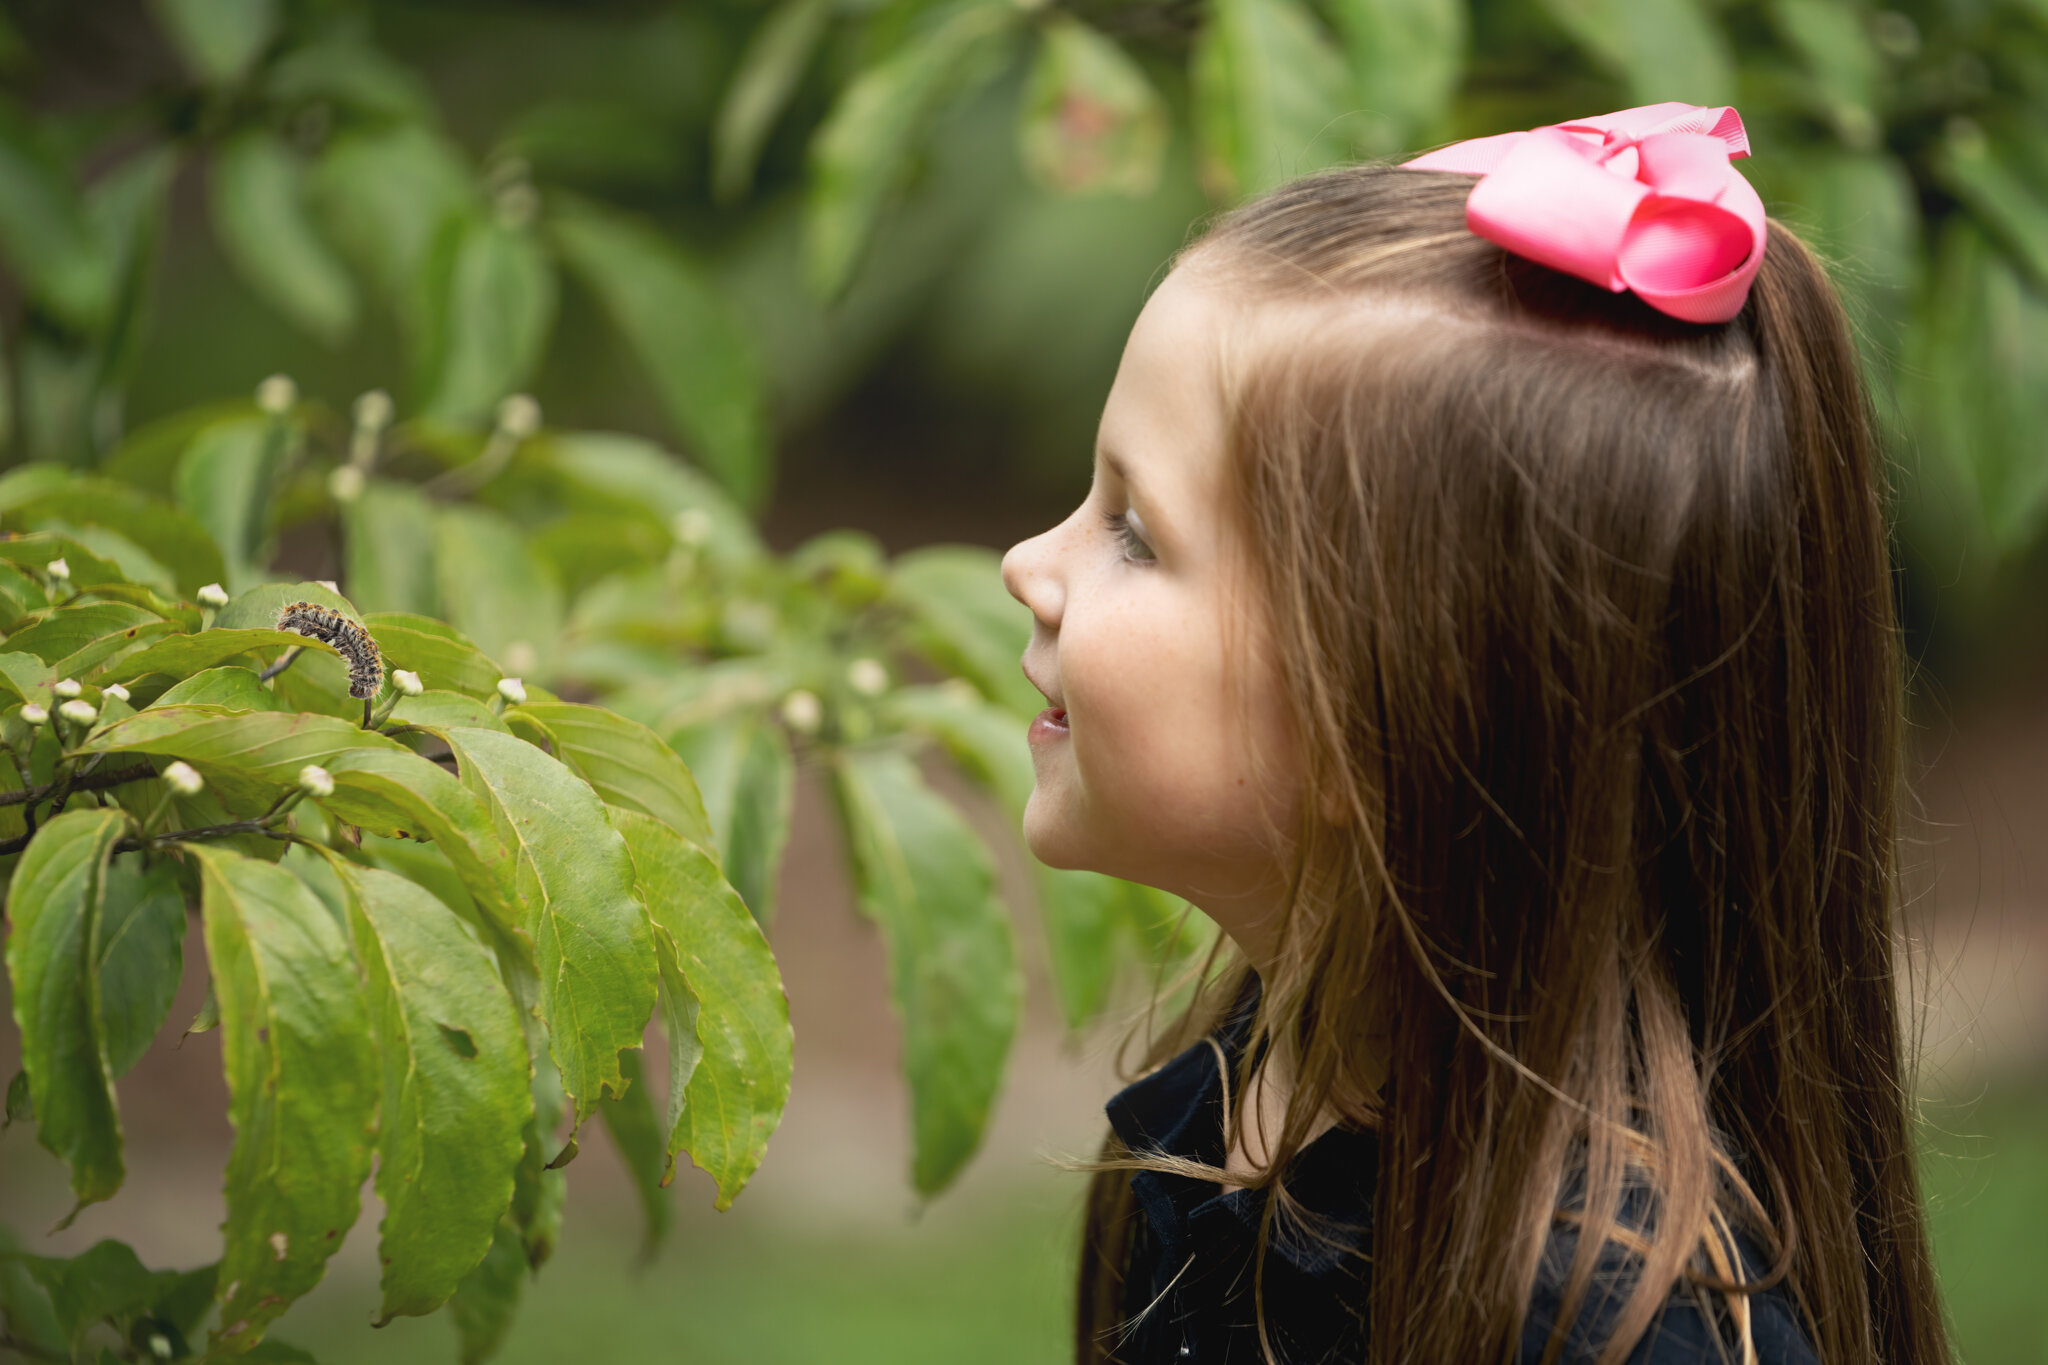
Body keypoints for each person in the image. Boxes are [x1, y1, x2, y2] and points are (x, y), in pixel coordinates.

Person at [998, 104, 1952, 1365]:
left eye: (1134, 530)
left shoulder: (1613, 1335)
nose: (1026, 563)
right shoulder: (1217, 1115)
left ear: (1380, 711)